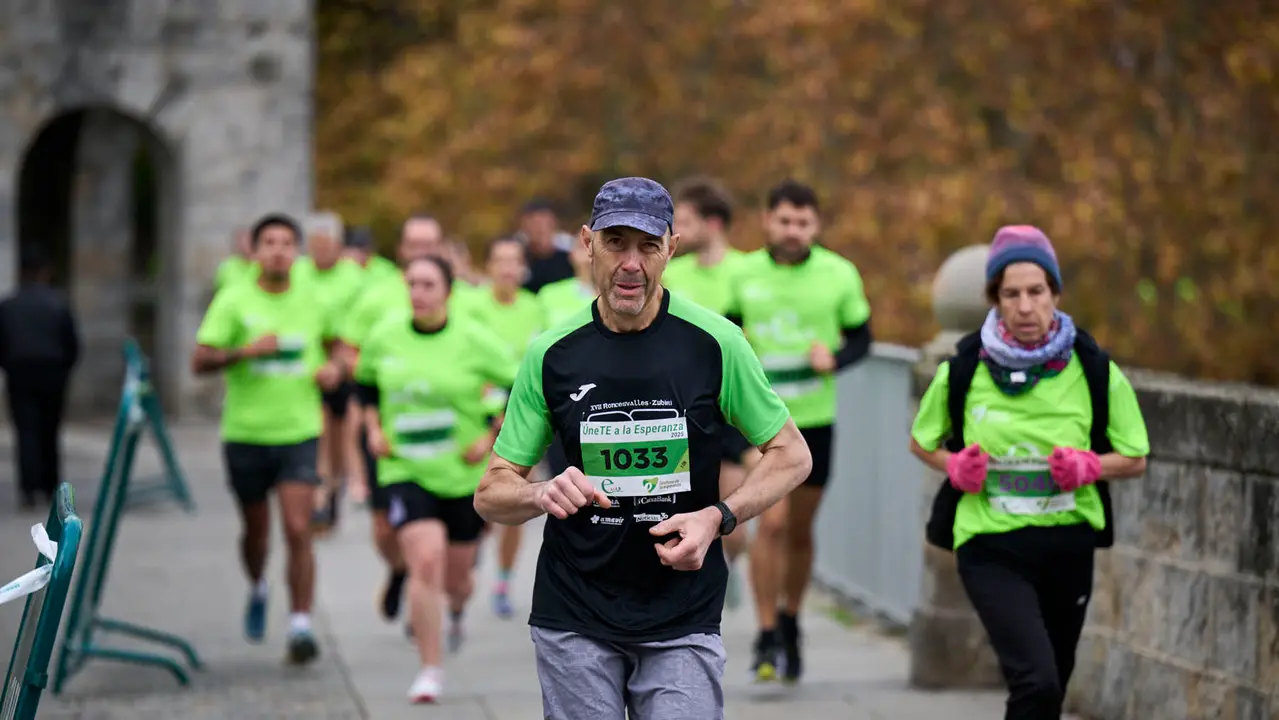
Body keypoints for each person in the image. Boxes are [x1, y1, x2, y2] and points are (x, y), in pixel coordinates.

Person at [473, 177, 813, 720]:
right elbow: (491, 493)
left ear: (672, 249)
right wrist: (540, 493)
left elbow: (792, 455)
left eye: (648, 246)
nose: (631, 263)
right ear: (586, 244)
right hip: (575, 611)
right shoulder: (551, 354)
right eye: (615, 243)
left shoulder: (717, 343)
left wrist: (718, 517)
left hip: (681, 609)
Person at [909, 225, 1150, 720]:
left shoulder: (1094, 368)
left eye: (1036, 292)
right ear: (994, 299)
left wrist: (1090, 465)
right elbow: (921, 440)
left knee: (1051, 689)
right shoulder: (964, 369)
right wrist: (954, 465)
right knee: (1035, 681)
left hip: (1068, 543)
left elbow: (1136, 456)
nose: (1024, 306)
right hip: (990, 544)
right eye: (1010, 293)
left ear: (1055, 293)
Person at [724, 179, 872, 683]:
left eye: (803, 223)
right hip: (757, 424)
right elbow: (721, 335)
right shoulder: (741, 273)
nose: (793, 231)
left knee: (801, 531)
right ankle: (765, 633)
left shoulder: (839, 274)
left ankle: (790, 618)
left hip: (814, 421)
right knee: (773, 523)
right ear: (767, 220)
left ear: (817, 226)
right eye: (784, 221)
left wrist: (836, 359)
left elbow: (862, 339)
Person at [355, 255, 518, 702]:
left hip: (461, 474)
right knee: (425, 560)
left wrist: (489, 434)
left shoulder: (473, 339)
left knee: (457, 581)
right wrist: (373, 428)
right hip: (405, 469)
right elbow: (366, 384)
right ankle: (430, 668)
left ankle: (459, 609)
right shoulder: (385, 335)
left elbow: (516, 384)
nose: (418, 293)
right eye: (411, 284)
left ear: (447, 291)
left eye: (428, 285)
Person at [191, 213, 345, 664]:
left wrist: (335, 368)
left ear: (297, 251)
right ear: (254, 251)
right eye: (269, 242)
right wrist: (244, 351)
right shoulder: (234, 299)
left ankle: (300, 626)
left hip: (299, 432)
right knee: (256, 536)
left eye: (286, 242)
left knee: (299, 529)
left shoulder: (314, 297)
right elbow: (199, 360)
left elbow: (338, 345)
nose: (278, 250)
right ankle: (258, 584)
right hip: (245, 433)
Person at [338, 214, 460, 629]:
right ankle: (399, 569)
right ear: (402, 251)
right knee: (384, 530)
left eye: (431, 245)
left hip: (450, 442)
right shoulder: (377, 300)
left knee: (438, 541)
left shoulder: (463, 301)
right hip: (393, 435)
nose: (422, 253)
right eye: (415, 245)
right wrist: (377, 413)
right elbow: (351, 355)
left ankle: (423, 595)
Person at [665, 176, 753, 608]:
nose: (675, 232)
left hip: (731, 405)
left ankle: (730, 560)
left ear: (713, 223)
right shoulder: (671, 274)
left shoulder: (747, 271)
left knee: (728, 500)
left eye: (683, 221)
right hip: (682, 406)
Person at [466, 237, 545, 618]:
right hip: (478, 416)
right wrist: (492, 412)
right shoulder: (472, 308)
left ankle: (502, 578)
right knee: (481, 500)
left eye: (515, 262)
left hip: (522, 414)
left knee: (516, 494)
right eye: (500, 261)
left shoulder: (536, 307)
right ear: (489, 267)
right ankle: (469, 551)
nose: (507, 269)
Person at [298, 211, 365, 534]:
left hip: (344, 362)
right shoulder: (299, 274)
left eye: (327, 244)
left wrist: (338, 364)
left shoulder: (352, 276)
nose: (321, 250)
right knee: (321, 430)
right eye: (315, 244)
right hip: (309, 364)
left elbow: (356, 326)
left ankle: (332, 488)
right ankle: (321, 493)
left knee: (340, 434)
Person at [0, 251, 80, 510]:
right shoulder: (58, 304)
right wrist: (64, 368)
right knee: (49, 430)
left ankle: (28, 489)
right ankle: (49, 486)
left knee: (26, 431)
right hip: (52, 372)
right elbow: (72, 344)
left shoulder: (10, 305)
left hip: (20, 372)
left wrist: (9, 366)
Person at [516, 198, 575, 293]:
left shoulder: (569, 259)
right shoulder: (519, 260)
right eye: (535, 224)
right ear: (524, 226)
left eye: (546, 224)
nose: (540, 229)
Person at [213, 227, 255, 291]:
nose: (244, 244)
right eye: (241, 241)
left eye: (248, 241)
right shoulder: (226, 267)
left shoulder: (262, 266)